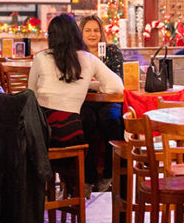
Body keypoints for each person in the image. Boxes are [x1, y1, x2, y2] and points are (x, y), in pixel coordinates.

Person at [28, 14, 124, 192]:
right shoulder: (88, 58)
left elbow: (30, 95)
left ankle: (71, 185)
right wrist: (91, 83)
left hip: (42, 136)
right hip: (71, 134)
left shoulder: (41, 58)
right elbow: (117, 86)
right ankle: (84, 184)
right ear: (77, 34)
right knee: (92, 121)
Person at [79, 15, 123, 192]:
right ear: (80, 33)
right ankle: (87, 176)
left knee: (111, 119)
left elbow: (117, 79)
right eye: (87, 30)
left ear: (102, 32)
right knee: (84, 121)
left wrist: (93, 82)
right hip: (85, 100)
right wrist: (98, 82)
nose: (92, 34)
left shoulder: (112, 50)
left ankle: (109, 174)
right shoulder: (77, 53)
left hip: (109, 100)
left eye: (96, 30)